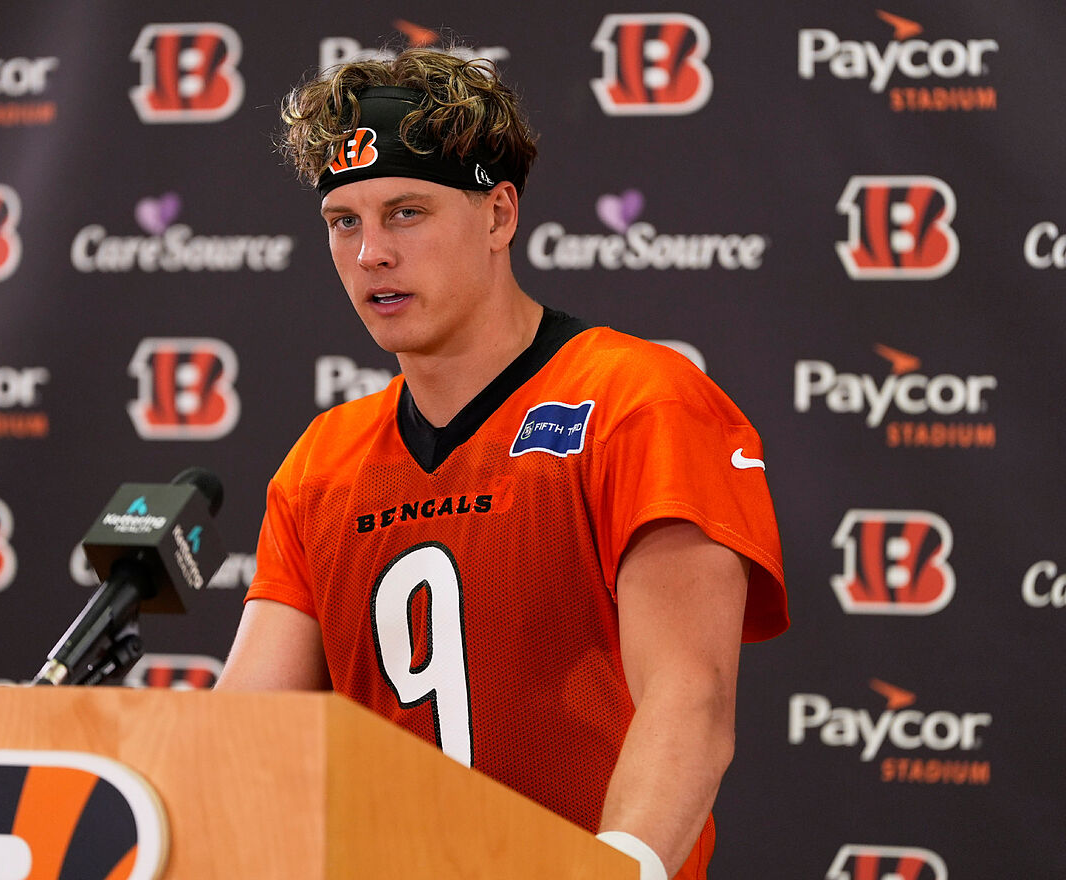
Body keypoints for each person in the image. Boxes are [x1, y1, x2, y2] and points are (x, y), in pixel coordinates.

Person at [215, 48, 788, 880]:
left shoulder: (639, 401)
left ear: (498, 215)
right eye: (345, 221)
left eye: (406, 212)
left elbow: (690, 700)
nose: (371, 252)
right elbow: (248, 732)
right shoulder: (322, 461)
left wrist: (613, 870)